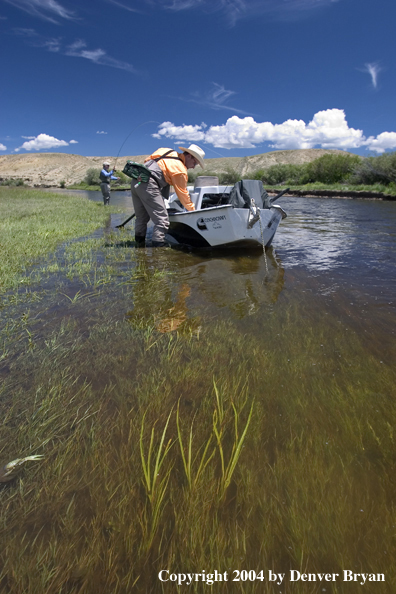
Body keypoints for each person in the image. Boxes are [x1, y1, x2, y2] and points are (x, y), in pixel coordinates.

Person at [131, 144, 205, 247]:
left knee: (141, 218)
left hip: (137, 180)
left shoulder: (166, 151)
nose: (193, 167)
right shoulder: (180, 170)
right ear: (189, 156)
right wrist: (193, 211)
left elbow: (147, 161)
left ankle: (139, 246)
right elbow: (182, 194)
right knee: (162, 220)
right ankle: (159, 250)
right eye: (195, 163)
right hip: (149, 184)